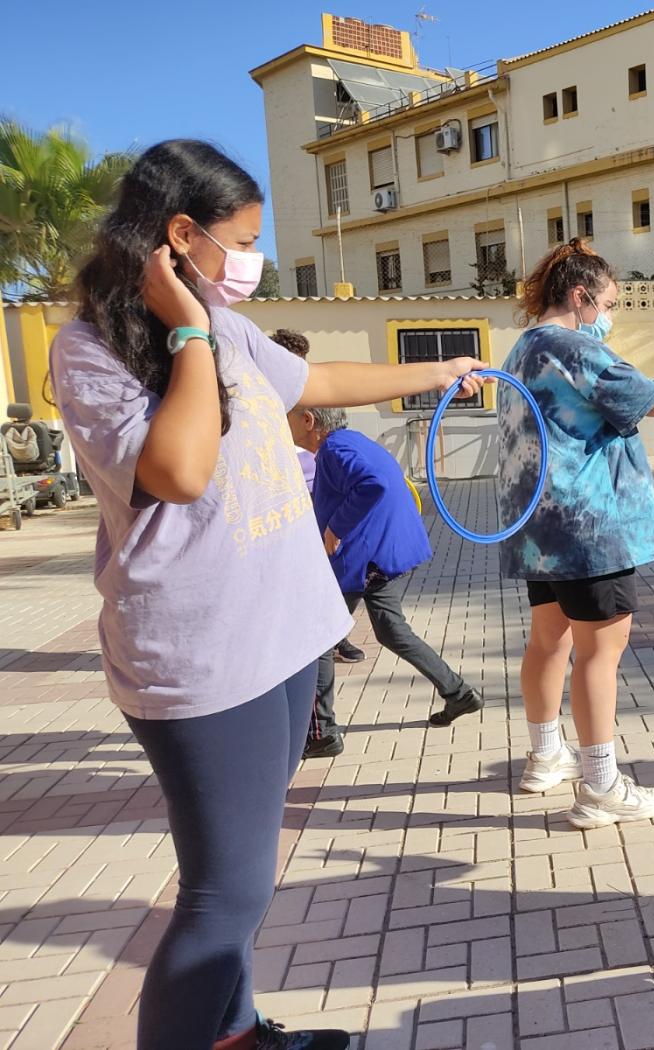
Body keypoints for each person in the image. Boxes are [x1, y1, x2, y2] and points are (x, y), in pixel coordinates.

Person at [46, 140, 489, 1050]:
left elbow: (316, 381)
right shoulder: (89, 348)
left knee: (244, 880)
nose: (250, 261)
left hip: (288, 635)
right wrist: (191, 334)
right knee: (224, 895)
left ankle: (237, 1032)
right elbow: (176, 467)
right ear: (180, 234)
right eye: (240, 240)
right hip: (206, 656)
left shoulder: (220, 318)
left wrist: (440, 374)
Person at [497, 239, 654, 830]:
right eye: (610, 302)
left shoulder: (522, 348)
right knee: (600, 654)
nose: (612, 313)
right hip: (588, 527)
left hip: (538, 530)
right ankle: (600, 786)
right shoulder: (573, 347)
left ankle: (546, 756)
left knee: (549, 641)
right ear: (581, 296)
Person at [288, 406, 484, 757]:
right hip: (377, 556)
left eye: (289, 415)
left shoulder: (334, 448)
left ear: (308, 421)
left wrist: (335, 527)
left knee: (319, 637)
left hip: (362, 560)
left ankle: (323, 732)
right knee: (392, 631)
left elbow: (371, 484)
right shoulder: (352, 441)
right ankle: (458, 693)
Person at [268, 328, 365, 666]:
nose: (298, 373)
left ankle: (333, 637)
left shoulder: (308, 395)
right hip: (283, 502)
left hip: (317, 499)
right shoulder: (264, 403)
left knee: (324, 574)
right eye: (292, 365)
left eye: (302, 365)